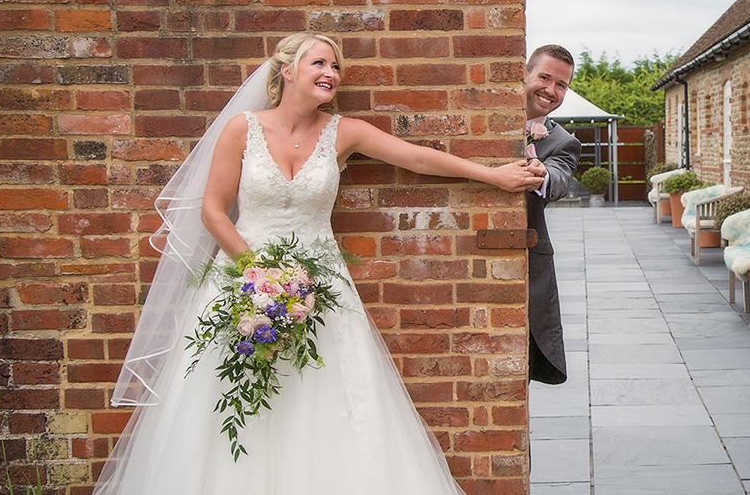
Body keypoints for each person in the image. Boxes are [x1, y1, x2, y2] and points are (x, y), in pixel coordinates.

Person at [95, 33, 541, 495]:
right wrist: (262, 275)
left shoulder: (343, 131)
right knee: (232, 395)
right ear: (287, 70)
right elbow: (213, 210)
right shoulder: (241, 129)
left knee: (328, 396)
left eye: (336, 67)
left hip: (321, 284)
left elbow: (415, 156)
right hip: (245, 278)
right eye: (319, 63)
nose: (331, 73)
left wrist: (493, 175)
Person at [522, 45, 581, 385]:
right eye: (544, 77)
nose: (551, 90)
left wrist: (542, 173)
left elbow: (559, 179)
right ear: (526, 75)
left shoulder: (562, 141)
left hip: (528, 263)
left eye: (561, 85)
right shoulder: (481, 117)